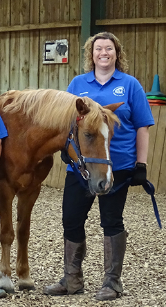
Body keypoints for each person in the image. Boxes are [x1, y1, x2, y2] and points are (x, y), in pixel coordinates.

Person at [44, 32, 155, 301]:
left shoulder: (130, 85)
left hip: (117, 166)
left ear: (117, 53)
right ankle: (72, 280)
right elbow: (66, 122)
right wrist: (66, 152)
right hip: (80, 169)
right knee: (71, 220)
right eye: (98, 49)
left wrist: (141, 164)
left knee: (111, 221)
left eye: (109, 48)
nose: (103, 53)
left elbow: (142, 127)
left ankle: (112, 282)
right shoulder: (78, 84)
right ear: (91, 54)